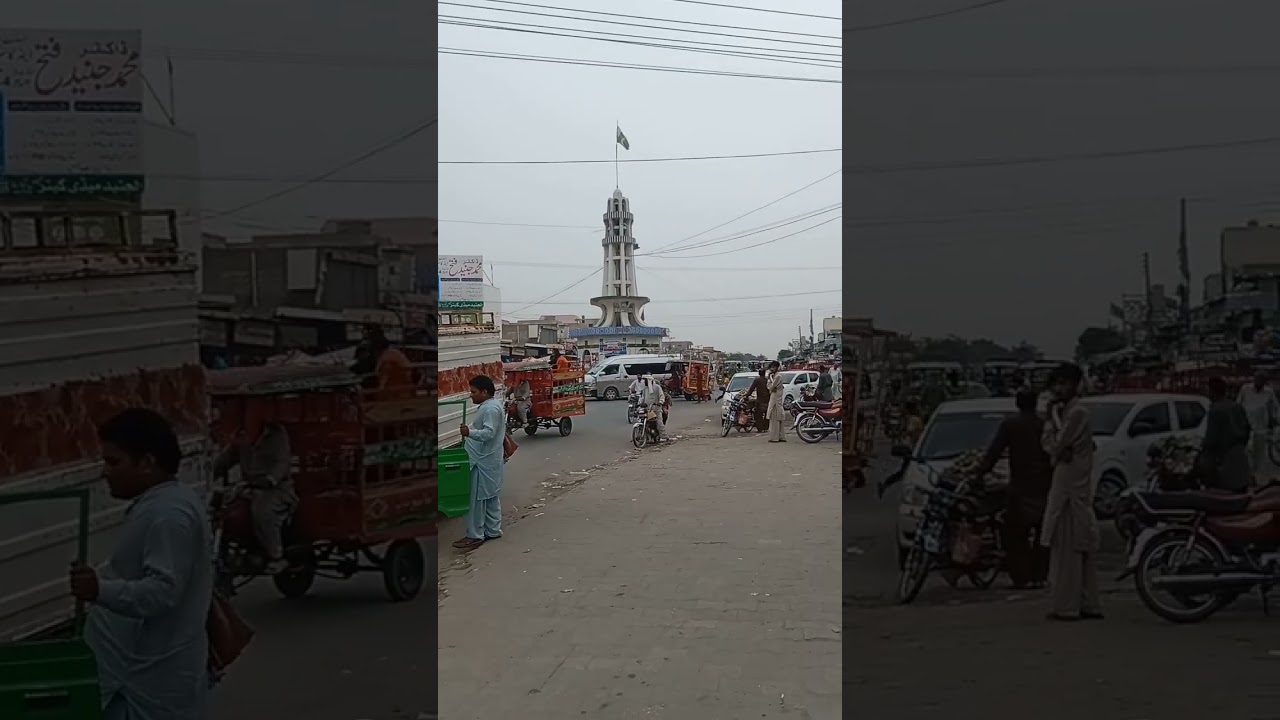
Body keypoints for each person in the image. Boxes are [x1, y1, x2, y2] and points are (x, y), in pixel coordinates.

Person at [71, 409, 213, 720]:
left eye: (114, 462)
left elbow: (163, 592)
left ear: (147, 462)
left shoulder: (168, 515)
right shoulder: (161, 504)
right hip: (133, 684)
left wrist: (100, 590)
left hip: (146, 690)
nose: (105, 472)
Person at [1040, 363, 1103, 621]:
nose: (1058, 389)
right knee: (1071, 550)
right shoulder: (1064, 412)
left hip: (1072, 491)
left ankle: (1068, 607)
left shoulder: (1077, 412)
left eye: (1064, 383)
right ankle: (1083, 603)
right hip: (1067, 484)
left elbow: (1057, 445)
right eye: (1056, 384)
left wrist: (1051, 421)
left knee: (1071, 550)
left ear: (1075, 385)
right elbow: (1050, 444)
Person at [978, 389, 1052, 589]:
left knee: (1015, 535)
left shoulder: (1010, 425)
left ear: (1018, 404)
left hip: (1021, 488)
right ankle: (1039, 575)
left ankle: (1022, 577)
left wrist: (980, 472)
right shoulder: (1044, 425)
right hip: (1045, 487)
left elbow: (994, 452)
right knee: (1043, 535)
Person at [212, 418, 296, 574]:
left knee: (262, 511)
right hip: (248, 488)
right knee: (222, 509)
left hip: (276, 489)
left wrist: (270, 479)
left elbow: (282, 463)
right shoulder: (241, 435)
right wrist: (209, 473)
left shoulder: (277, 434)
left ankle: (276, 556)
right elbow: (225, 459)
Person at [455, 375, 506, 550]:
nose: (471, 395)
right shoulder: (493, 405)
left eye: (473, 392)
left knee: (476, 500)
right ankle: (493, 530)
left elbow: (488, 433)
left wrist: (469, 432)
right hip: (490, 460)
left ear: (484, 392)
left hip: (482, 462)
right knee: (491, 497)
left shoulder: (490, 409)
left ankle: (475, 535)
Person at [1203, 375, 1254, 492]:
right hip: (1241, 459)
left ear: (1212, 391)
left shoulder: (1215, 410)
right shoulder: (1237, 407)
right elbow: (1247, 429)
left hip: (1225, 462)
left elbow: (1211, 440)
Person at [1237, 371, 1278, 480]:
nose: (1258, 382)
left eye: (1262, 380)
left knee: (1260, 456)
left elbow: (1274, 408)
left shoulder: (1269, 392)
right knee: (1248, 453)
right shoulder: (1245, 389)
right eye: (1257, 379)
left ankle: (1257, 478)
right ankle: (1249, 476)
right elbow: (1238, 405)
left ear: (1264, 382)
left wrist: (1273, 421)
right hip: (1247, 428)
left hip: (1261, 429)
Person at [641, 374, 670, 441]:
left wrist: (660, 402)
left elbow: (661, 396)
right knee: (641, 420)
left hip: (656, 408)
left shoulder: (657, 387)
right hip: (647, 409)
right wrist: (640, 403)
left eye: (645, 380)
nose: (644, 382)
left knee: (659, 423)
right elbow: (643, 398)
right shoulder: (645, 389)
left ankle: (665, 436)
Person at [766, 361, 787, 442]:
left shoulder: (778, 376)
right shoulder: (773, 376)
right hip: (774, 397)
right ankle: (778, 437)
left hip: (776, 400)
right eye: (771, 367)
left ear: (777, 367)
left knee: (776, 418)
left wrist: (769, 381)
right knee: (775, 418)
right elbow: (770, 387)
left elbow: (771, 387)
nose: (772, 369)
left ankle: (775, 438)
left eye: (773, 367)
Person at [749, 368, 770, 433]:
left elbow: (751, 389)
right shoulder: (767, 380)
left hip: (760, 401)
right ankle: (765, 428)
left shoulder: (757, 380)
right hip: (767, 400)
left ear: (759, 373)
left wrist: (747, 395)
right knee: (767, 415)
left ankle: (760, 428)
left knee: (757, 415)